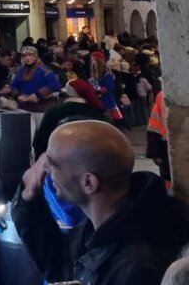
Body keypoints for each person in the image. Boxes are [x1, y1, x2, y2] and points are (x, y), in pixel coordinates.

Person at [12, 120, 189, 284]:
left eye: (52, 164)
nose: (45, 171)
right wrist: (28, 200)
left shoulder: (139, 267)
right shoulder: (109, 223)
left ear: (88, 182)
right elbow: (63, 267)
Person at [32, 77, 110, 158]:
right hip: (93, 160)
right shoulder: (99, 113)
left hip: (59, 160)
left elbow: (42, 141)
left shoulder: (53, 111)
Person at [9, 46, 61, 114]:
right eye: (24, 55)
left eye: (30, 55)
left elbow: (55, 84)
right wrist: (18, 96)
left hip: (43, 106)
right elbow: (13, 86)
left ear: (36, 56)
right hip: (24, 107)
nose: (27, 57)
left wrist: (37, 95)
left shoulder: (44, 70)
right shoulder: (21, 71)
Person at [90, 53, 123, 125]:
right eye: (92, 60)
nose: (93, 62)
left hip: (106, 99)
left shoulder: (106, 73)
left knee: (110, 119)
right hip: (98, 99)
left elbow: (110, 86)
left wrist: (99, 91)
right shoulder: (94, 73)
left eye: (95, 60)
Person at [148, 90, 171, 189]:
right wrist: (155, 151)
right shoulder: (163, 95)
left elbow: (154, 125)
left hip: (169, 147)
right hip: (168, 148)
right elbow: (155, 125)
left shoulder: (163, 94)